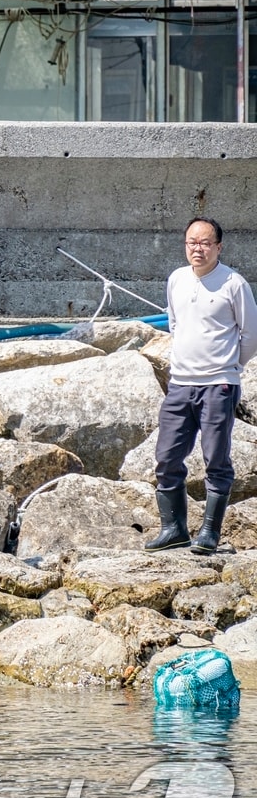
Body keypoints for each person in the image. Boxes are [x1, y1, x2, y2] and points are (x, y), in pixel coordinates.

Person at [145, 216, 257, 555]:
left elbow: (250, 334)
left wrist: (232, 366)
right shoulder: (177, 279)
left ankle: (209, 533)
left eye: (205, 242)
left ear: (218, 247)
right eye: (192, 242)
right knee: (166, 456)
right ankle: (173, 529)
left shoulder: (234, 283)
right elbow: (176, 325)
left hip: (219, 385)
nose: (198, 248)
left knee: (216, 459)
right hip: (180, 384)